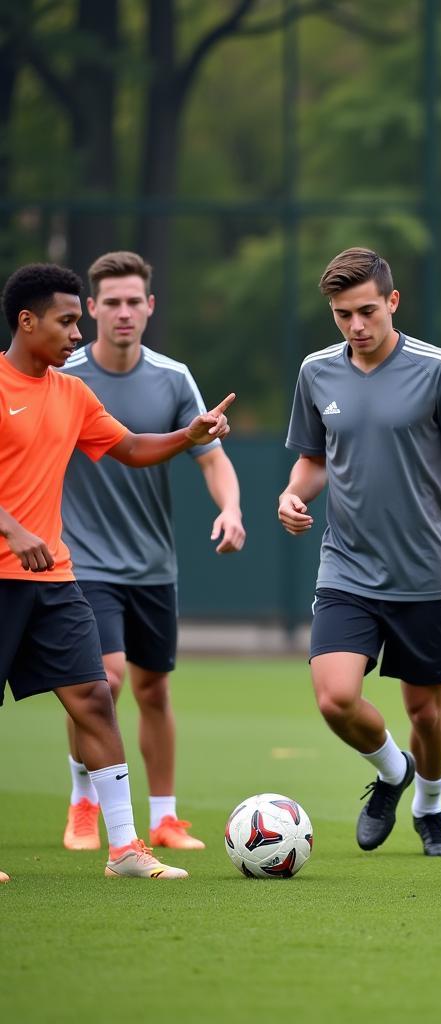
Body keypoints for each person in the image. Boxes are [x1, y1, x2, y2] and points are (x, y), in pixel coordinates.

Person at [0, 262, 234, 880]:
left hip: (54, 580)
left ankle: (126, 849)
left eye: (79, 321)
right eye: (67, 321)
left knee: (96, 699)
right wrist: (12, 528)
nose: (77, 334)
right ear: (27, 322)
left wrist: (189, 435)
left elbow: (129, 449)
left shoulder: (72, 394)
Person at [277, 247, 441, 857]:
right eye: (343, 315)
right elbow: (314, 462)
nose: (356, 326)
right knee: (334, 696)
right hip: (345, 564)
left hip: (423, 571)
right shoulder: (316, 372)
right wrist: (293, 495)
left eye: (367, 311)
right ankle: (396, 772)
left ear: (393, 301)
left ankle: (431, 808)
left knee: (426, 711)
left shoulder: (437, 368)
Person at [57, 251, 246, 853]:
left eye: (133, 301)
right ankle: (84, 803)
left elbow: (211, 457)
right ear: (91, 309)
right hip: (84, 562)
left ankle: (164, 818)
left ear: (150, 307)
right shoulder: (67, 376)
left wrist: (231, 508)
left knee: (154, 691)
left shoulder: (173, 377)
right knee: (103, 679)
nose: (122, 312)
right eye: (110, 302)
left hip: (153, 566)